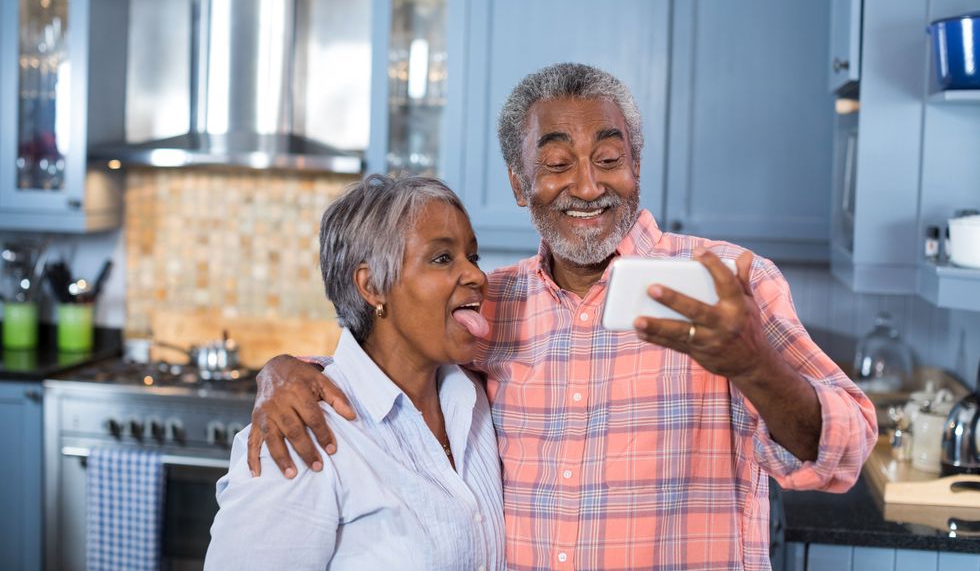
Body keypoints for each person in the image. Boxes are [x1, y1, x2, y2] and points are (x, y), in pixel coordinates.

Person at [247, 63, 877, 570]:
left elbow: (845, 450)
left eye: (609, 159)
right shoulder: (490, 304)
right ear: (520, 184)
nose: (587, 186)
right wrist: (285, 371)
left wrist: (754, 365)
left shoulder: (729, 284)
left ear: (635, 168)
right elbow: (389, 362)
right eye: (556, 165)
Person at [204, 175, 505, 570]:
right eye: (442, 258)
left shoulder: (475, 396)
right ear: (372, 285)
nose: (477, 276)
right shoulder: (300, 435)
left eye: (473, 257)